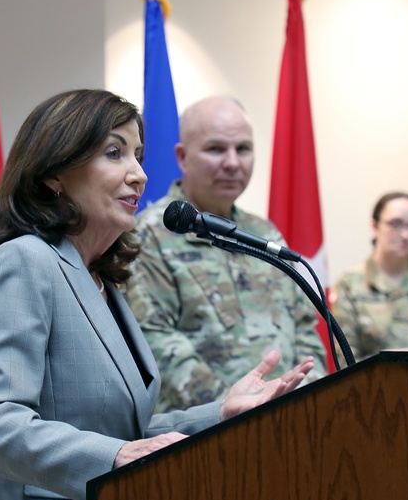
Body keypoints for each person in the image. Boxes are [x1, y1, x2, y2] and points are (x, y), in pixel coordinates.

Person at [0, 89, 314, 500]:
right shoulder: (25, 261)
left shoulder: (100, 280)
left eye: (139, 156)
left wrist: (220, 414)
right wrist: (111, 458)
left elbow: (123, 430)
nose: (139, 174)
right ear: (54, 173)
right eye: (114, 153)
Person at [125, 95, 326, 412]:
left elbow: (304, 327)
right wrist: (237, 409)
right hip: (204, 433)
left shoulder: (265, 233)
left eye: (243, 149)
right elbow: (154, 342)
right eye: (216, 149)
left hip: (291, 422)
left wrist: (309, 395)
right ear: (182, 156)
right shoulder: (150, 234)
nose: (233, 162)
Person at [330, 192, 408, 362]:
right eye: (395, 224)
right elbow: (346, 358)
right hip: (369, 386)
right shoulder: (350, 284)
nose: (405, 235)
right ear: (375, 226)